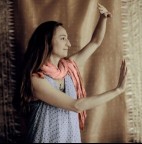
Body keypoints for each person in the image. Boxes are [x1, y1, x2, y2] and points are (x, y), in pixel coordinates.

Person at [19, 3, 127, 143]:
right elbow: (76, 105)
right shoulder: (36, 79)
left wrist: (103, 18)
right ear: (47, 41)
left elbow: (95, 42)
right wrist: (117, 90)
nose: (68, 44)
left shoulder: (68, 67)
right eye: (63, 38)